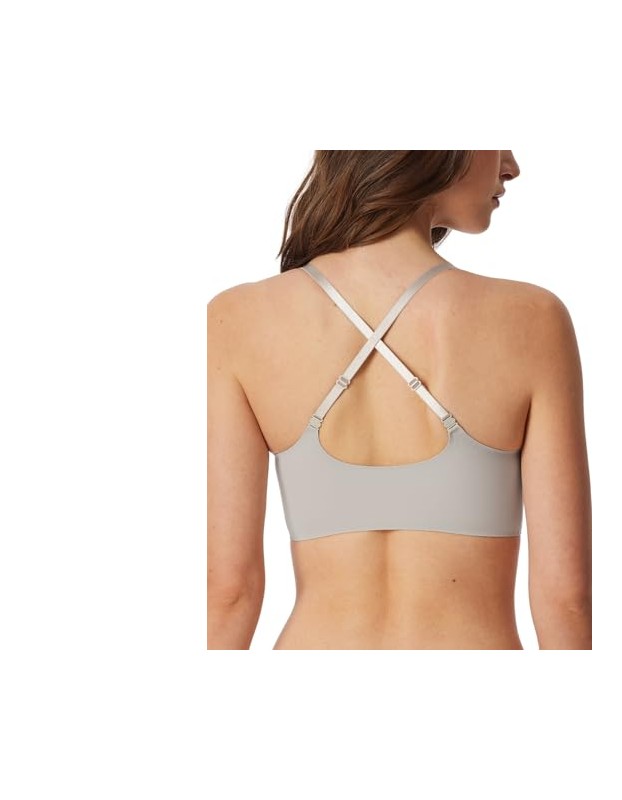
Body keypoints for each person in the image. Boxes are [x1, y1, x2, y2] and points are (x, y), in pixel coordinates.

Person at [207, 150, 592, 649]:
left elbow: (229, 592)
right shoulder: (532, 319)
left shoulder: (237, 319)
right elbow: (566, 600)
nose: (511, 165)